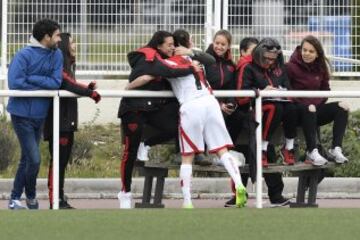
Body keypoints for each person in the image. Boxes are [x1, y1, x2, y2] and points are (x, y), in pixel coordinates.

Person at [134, 29, 248, 208]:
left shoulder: (167, 63)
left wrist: (130, 85)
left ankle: (187, 201)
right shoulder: (195, 59)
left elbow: (149, 74)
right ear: (189, 42)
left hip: (190, 106)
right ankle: (239, 185)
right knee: (222, 151)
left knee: (187, 157)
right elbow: (208, 60)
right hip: (210, 103)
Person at [117, 31, 199, 209]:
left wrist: (190, 55)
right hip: (134, 109)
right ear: (158, 45)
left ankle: (145, 144)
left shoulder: (164, 58)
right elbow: (157, 73)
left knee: (178, 125)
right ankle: (125, 192)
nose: (173, 48)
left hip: (153, 108)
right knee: (129, 153)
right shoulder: (148, 56)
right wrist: (192, 67)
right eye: (169, 44)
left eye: (174, 44)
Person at [7, 19, 63, 210]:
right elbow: (15, 82)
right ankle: (30, 198)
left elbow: (55, 82)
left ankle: (15, 199)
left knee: (27, 159)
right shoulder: (23, 55)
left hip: (40, 115)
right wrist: (41, 81)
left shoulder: (57, 55)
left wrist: (31, 78)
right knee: (35, 159)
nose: (59, 38)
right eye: (56, 35)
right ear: (46, 37)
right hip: (21, 115)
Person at [44, 32, 101, 209]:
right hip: (59, 120)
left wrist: (87, 88)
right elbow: (66, 83)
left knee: (63, 160)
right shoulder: (59, 61)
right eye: (73, 42)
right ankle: (56, 199)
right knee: (58, 160)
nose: (75, 45)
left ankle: (59, 197)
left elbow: (71, 85)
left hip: (67, 120)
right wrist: (90, 93)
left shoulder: (69, 64)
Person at [286, 35, 349, 164]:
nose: (307, 53)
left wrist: (315, 103)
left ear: (317, 54)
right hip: (297, 112)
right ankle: (312, 151)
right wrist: (307, 105)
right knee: (309, 109)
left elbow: (325, 91)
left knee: (343, 106)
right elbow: (287, 92)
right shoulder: (290, 67)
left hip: (315, 109)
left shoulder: (321, 68)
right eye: (304, 50)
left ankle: (336, 149)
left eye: (311, 51)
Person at [242, 37, 298, 169]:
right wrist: (262, 91)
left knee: (292, 108)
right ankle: (262, 149)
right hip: (257, 106)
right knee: (275, 108)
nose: (269, 61)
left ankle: (288, 147)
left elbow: (288, 87)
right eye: (266, 58)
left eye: (273, 58)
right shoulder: (249, 68)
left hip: (280, 103)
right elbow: (242, 93)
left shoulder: (280, 68)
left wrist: (282, 92)